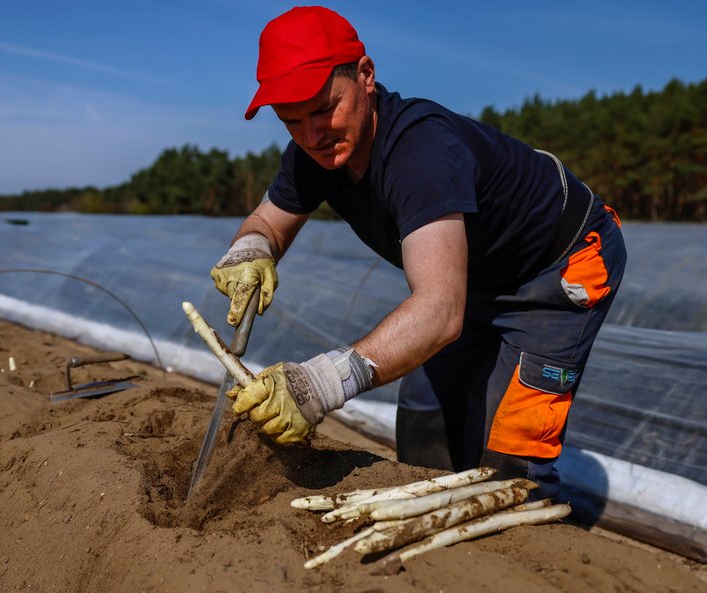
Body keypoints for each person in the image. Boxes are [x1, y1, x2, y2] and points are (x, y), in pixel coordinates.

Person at [211, 6, 626, 500]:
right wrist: (250, 249)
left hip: (558, 270)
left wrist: (318, 384)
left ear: (365, 76)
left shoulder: (421, 154)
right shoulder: (314, 152)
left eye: (324, 109)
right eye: (291, 121)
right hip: (477, 277)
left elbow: (439, 312)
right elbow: (267, 221)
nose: (311, 135)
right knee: (426, 418)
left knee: (510, 461)